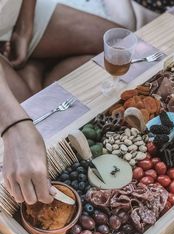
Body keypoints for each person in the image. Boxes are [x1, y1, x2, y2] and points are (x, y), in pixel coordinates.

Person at [0, 0, 158, 205]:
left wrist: (25, 26)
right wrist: (15, 128)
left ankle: (33, 68)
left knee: (122, 47)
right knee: (36, 113)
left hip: (10, 11)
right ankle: (33, 71)